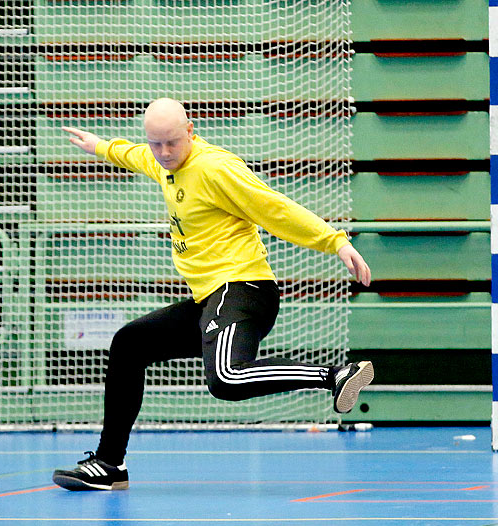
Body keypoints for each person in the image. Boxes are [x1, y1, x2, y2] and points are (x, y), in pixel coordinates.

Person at [52, 98, 374, 491]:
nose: (164, 153)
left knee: (226, 378)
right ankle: (109, 464)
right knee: (129, 344)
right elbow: (135, 155)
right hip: (210, 299)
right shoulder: (161, 160)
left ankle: (336, 375)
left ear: (190, 131)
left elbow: (273, 207)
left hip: (242, 288)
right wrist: (99, 146)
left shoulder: (214, 168)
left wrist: (334, 242)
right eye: (156, 143)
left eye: (172, 142)